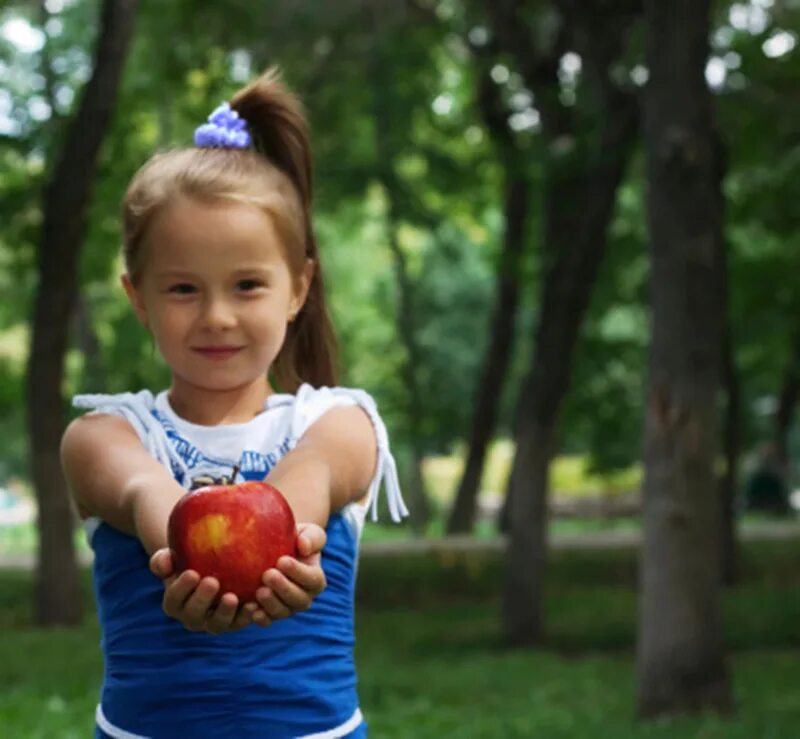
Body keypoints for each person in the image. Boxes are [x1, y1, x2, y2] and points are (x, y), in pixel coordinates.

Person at [60, 68, 408, 739]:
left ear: (298, 287)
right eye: (184, 288)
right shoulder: (104, 435)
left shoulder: (339, 424)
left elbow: (303, 484)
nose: (217, 315)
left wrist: (271, 559)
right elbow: (142, 492)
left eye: (247, 284)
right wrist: (207, 563)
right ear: (139, 298)